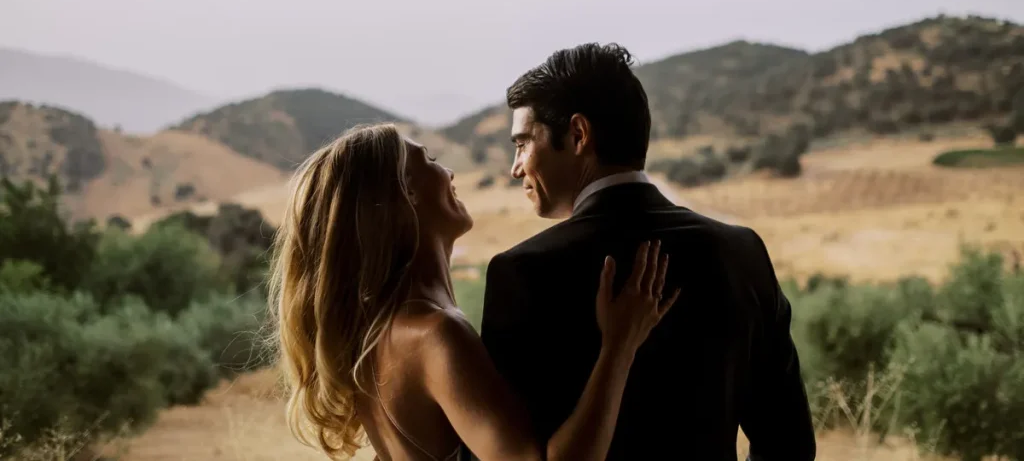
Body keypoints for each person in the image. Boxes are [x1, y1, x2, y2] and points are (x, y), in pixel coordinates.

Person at [469, 43, 816, 461]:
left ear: (578, 135)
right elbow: (789, 444)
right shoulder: (741, 251)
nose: (516, 166)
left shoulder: (523, 272)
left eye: (523, 143)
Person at [267, 122, 680, 461]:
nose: (448, 172)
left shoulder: (382, 327)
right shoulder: (435, 335)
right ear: (404, 193)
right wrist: (620, 346)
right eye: (428, 160)